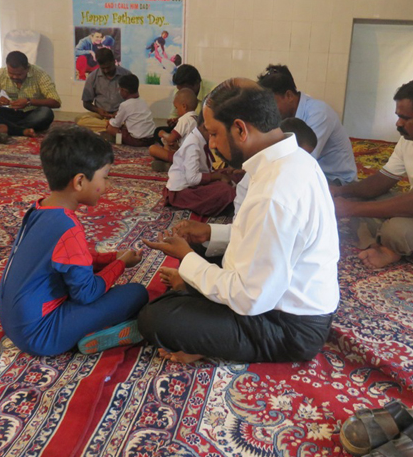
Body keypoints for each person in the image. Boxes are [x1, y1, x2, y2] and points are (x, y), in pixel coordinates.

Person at [139, 81, 339, 364]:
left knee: (156, 317)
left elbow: (249, 297)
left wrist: (187, 259)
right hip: (275, 294)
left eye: (214, 134)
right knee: (200, 252)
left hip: (288, 327)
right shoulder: (292, 161)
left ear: (240, 129)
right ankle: (198, 301)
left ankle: (210, 339)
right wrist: (209, 232)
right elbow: (260, 237)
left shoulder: (274, 191)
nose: (212, 144)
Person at [0, 125, 149, 356]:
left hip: (13, 323)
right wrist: (120, 264)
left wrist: (111, 257)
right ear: (79, 182)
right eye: (104, 177)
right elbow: (86, 293)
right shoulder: (68, 227)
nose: (107, 186)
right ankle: (96, 335)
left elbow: (69, 259)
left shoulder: (38, 209)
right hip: (41, 336)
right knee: (136, 294)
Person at [330, 81, 413, 269]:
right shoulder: (407, 140)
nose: (398, 123)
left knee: (395, 230)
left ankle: (389, 248)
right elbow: (382, 180)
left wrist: (351, 209)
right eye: (398, 116)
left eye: (405, 118)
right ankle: (379, 248)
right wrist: (341, 192)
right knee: (359, 200)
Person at [257, 64, 357, 185]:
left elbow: (301, 160)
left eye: (272, 103)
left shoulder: (319, 113)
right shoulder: (284, 115)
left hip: (336, 181)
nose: (269, 109)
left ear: (289, 96)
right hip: (311, 174)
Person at [164, 112, 236, 216]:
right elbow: (192, 179)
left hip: (197, 182)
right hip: (184, 191)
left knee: (234, 174)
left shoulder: (201, 139)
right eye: (215, 133)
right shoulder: (193, 144)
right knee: (225, 190)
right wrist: (218, 176)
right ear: (205, 127)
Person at [0, 51, 61, 137]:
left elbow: (56, 102)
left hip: (33, 113)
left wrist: (29, 102)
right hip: (12, 112)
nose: (15, 77)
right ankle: (20, 129)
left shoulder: (40, 74)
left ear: (27, 69)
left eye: (19, 74)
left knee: (46, 113)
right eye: (11, 74)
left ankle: (9, 128)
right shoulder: (1, 73)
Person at [153, 64, 216, 142]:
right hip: (186, 129)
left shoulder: (213, 92)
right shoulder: (180, 91)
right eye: (179, 89)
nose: (183, 92)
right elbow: (174, 114)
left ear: (196, 83)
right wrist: (174, 121)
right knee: (158, 131)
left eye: (186, 89)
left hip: (203, 132)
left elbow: (215, 122)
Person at [76, 48, 131, 133]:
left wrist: (120, 112)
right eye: (103, 68)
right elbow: (86, 103)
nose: (106, 70)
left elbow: (133, 100)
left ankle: (108, 127)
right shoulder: (92, 77)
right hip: (101, 116)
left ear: (114, 61)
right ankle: (113, 127)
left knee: (135, 122)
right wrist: (98, 110)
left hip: (121, 115)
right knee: (80, 120)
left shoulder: (127, 75)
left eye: (108, 67)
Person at [149, 88, 198, 171]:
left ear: (184, 106)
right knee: (168, 145)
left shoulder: (185, 119)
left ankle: (173, 165)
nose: (176, 111)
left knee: (153, 149)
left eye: (176, 108)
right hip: (195, 157)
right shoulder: (196, 118)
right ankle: (169, 164)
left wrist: (162, 133)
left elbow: (171, 138)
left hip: (186, 158)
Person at [104, 74, 155, 147]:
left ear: (124, 91)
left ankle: (119, 141)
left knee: (110, 128)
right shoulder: (143, 101)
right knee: (124, 127)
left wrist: (109, 121)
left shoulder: (125, 105)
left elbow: (116, 124)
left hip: (138, 141)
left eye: (120, 89)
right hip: (151, 139)